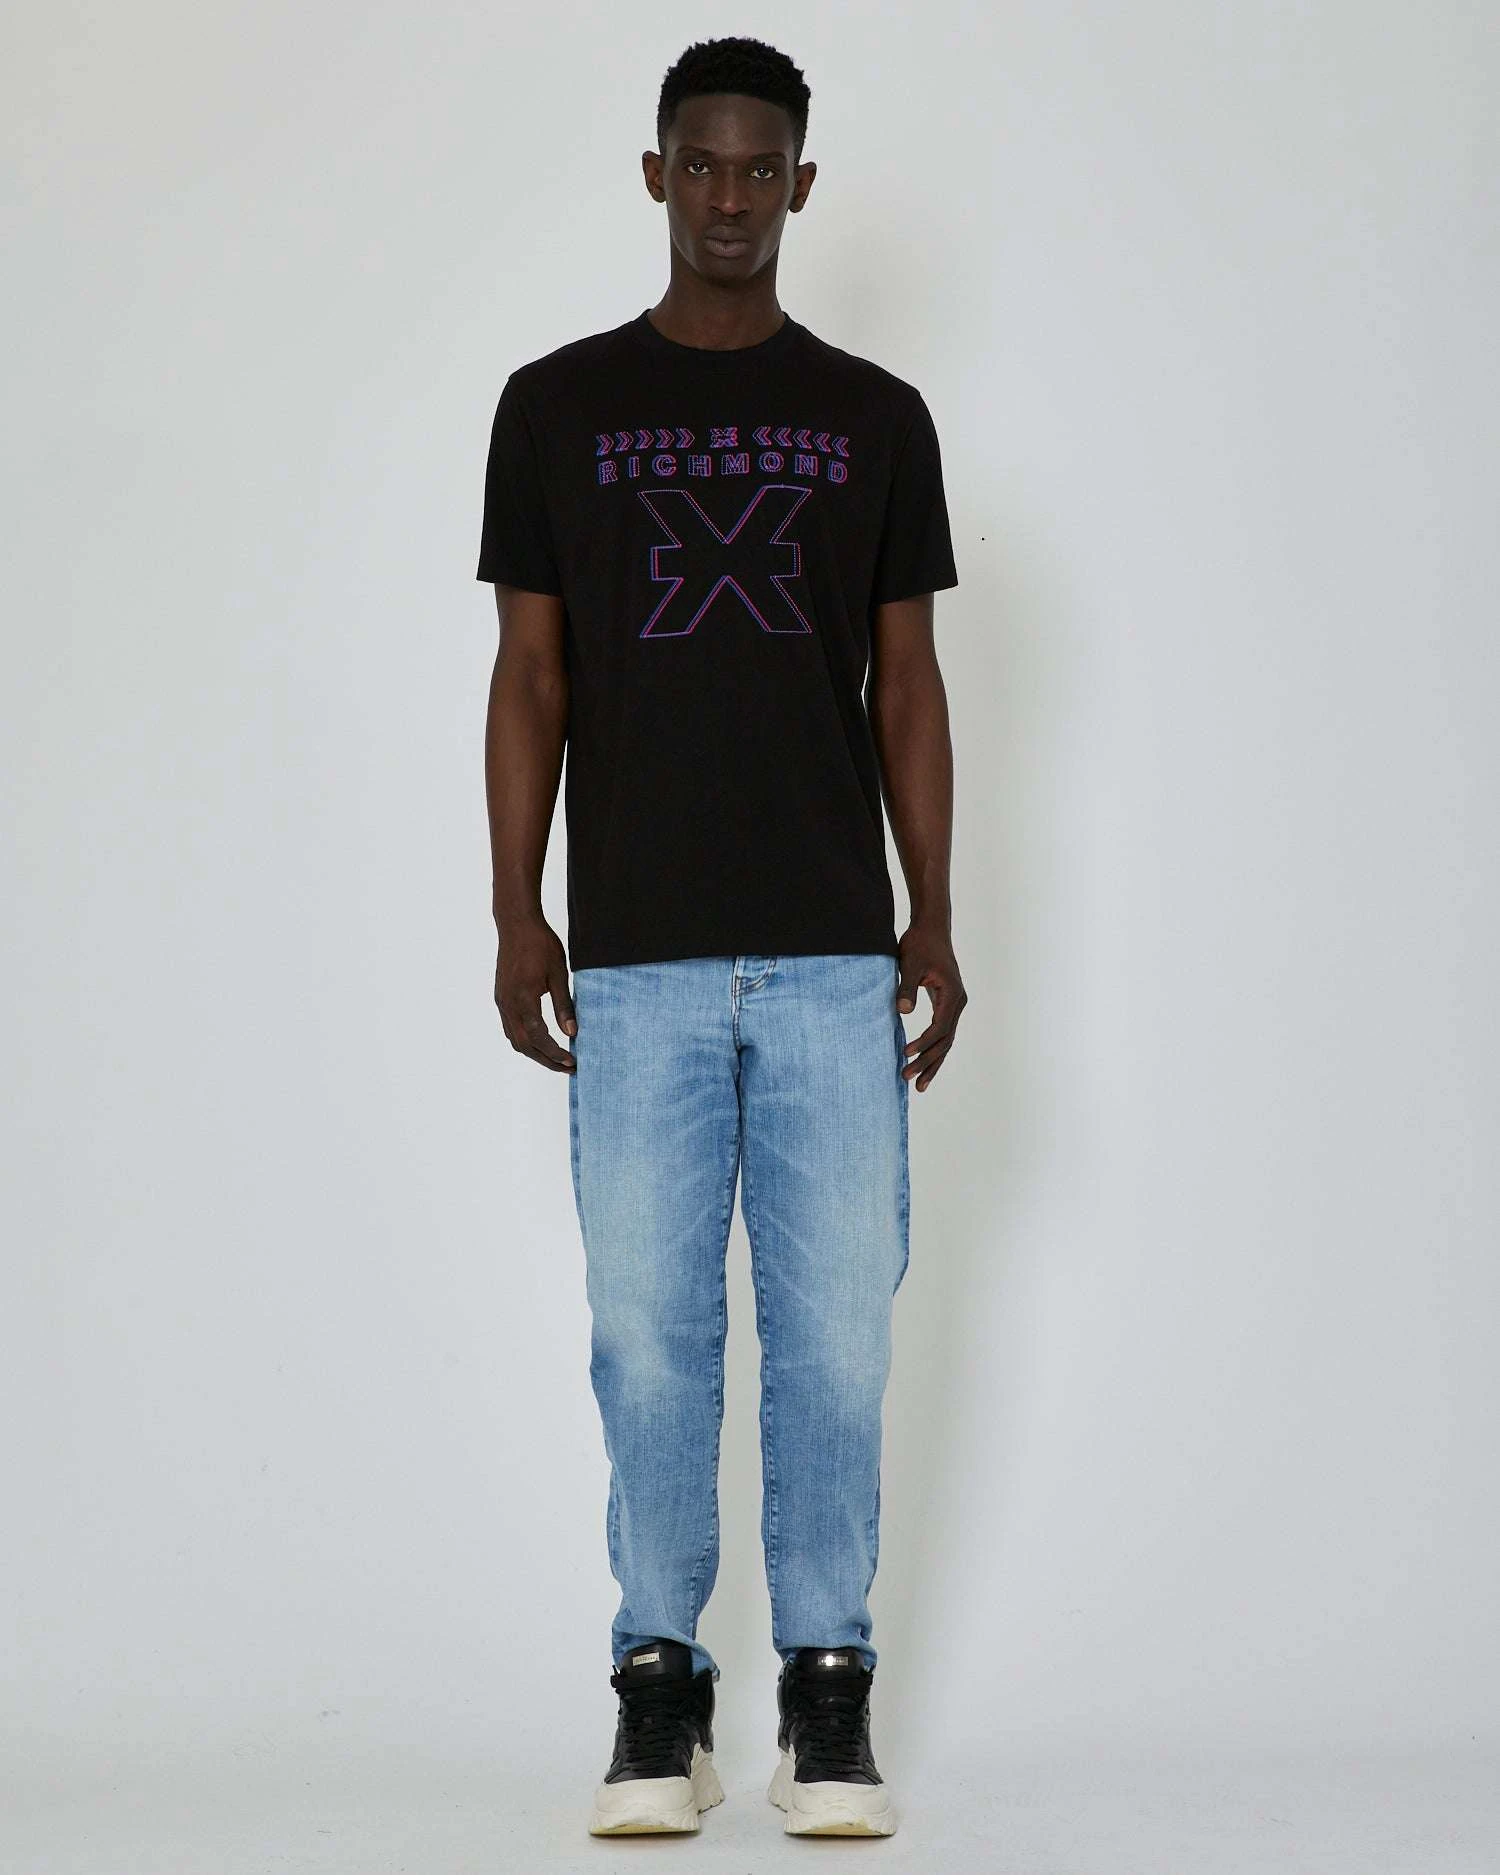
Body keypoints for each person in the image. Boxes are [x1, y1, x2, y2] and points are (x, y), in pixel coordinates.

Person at [474, 34, 965, 1840]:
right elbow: (531, 675)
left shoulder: (876, 417)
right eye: (702, 164)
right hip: (638, 954)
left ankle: (826, 1700)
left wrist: (935, 912)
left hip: (834, 953)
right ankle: (655, 1693)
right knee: (649, 1335)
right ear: (657, 174)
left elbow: (907, 682)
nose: (731, 197)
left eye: (763, 169)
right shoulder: (554, 407)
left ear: (802, 186)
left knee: (835, 1334)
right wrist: (515, 905)